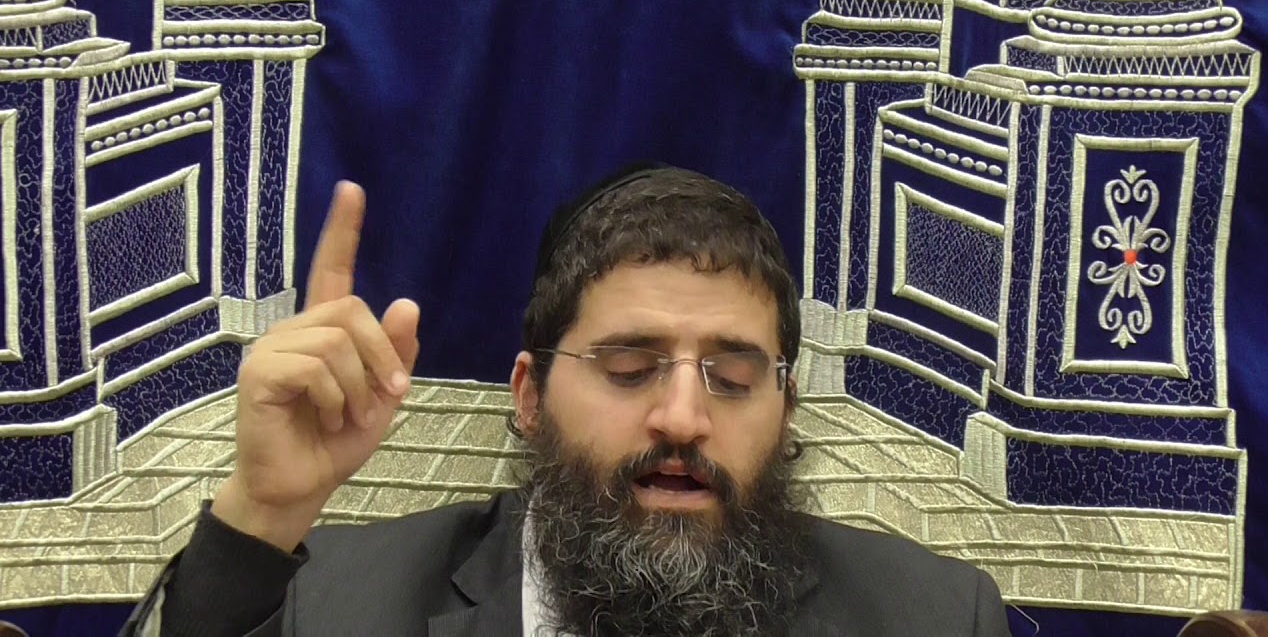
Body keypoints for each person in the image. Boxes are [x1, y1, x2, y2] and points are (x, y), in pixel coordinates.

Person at [122, 165, 1012, 637]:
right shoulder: (339, 605)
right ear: (531, 396)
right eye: (628, 367)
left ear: (785, 410)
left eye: (734, 378)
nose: (682, 417)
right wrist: (261, 513)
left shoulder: (934, 618)